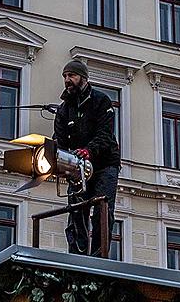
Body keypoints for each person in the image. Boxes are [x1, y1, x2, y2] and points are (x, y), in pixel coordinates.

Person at [53, 59, 120, 257]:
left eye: (71, 76)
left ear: (83, 77)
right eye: (65, 76)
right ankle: (77, 255)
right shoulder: (64, 110)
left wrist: (88, 151)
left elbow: (105, 134)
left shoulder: (101, 101)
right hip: (77, 166)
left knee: (102, 209)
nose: (67, 80)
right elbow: (60, 139)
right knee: (76, 208)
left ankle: (100, 257)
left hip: (104, 164)